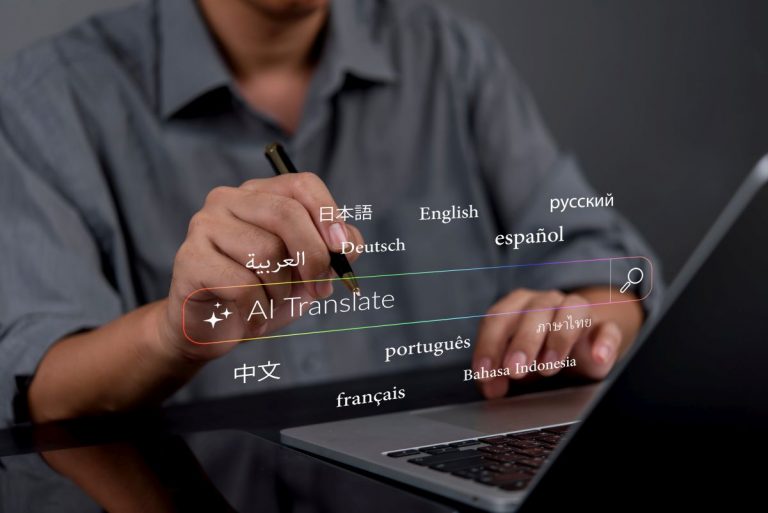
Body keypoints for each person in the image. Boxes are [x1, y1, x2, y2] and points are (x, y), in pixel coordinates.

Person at [0, 0, 658, 510]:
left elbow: (611, 266)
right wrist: (175, 329)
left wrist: (580, 317)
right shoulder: (45, 98)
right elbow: (42, 387)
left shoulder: (450, 56)